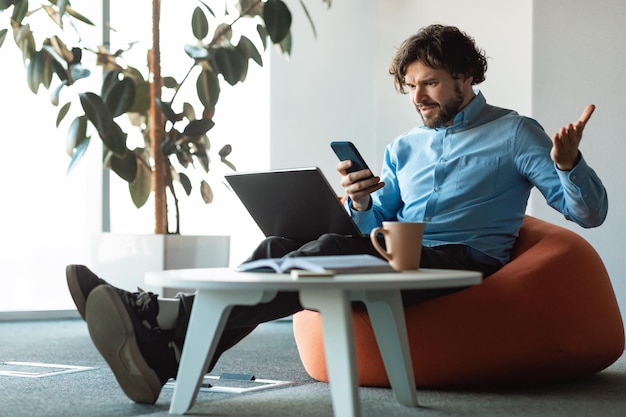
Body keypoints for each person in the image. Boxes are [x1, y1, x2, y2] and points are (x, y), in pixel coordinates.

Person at [66, 24, 607, 404]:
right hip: (400, 257)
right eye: (410, 85)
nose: (418, 95)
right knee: (281, 246)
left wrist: (568, 163)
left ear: (466, 77)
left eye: (431, 82)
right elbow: (374, 228)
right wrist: (365, 201)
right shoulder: (405, 146)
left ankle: (164, 320)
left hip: (465, 264)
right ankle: (173, 352)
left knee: (325, 253)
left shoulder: (515, 133)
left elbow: (589, 214)